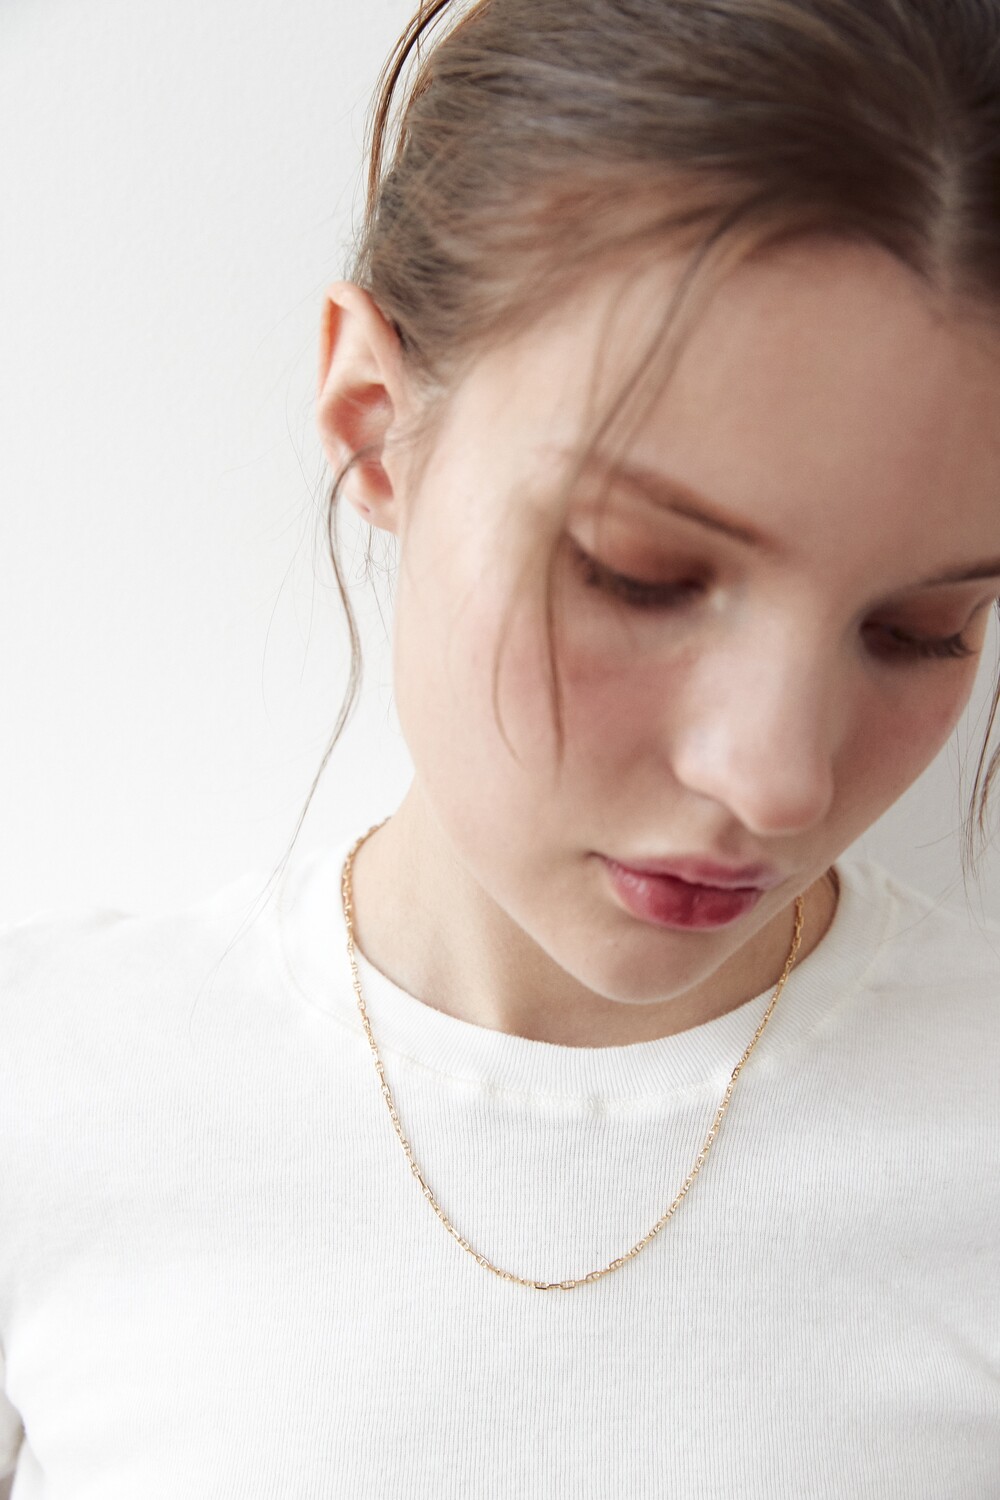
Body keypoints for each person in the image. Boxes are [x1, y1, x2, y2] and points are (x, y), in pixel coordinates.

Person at [2, 0, 1000, 1495]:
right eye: (639, 575)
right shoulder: (44, 1090)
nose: (779, 782)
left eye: (922, 630)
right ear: (373, 424)